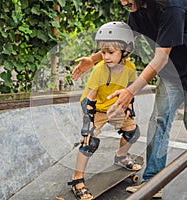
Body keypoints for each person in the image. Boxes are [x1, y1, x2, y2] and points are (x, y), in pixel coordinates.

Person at [72, 0, 187, 198]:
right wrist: (92, 60)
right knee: (159, 121)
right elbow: (121, 42)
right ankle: (153, 181)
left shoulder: (172, 7)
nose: (124, 2)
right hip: (172, 70)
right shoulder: (137, 8)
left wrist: (131, 91)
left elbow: (160, 57)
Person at [68, 21, 142, 200]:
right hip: (95, 108)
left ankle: (121, 157)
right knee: (89, 141)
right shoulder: (99, 69)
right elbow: (90, 97)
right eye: (102, 52)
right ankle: (77, 179)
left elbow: (130, 91)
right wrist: (88, 123)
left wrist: (128, 108)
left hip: (115, 107)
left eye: (110, 52)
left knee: (133, 132)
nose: (105, 57)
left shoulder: (131, 68)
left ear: (125, 51)